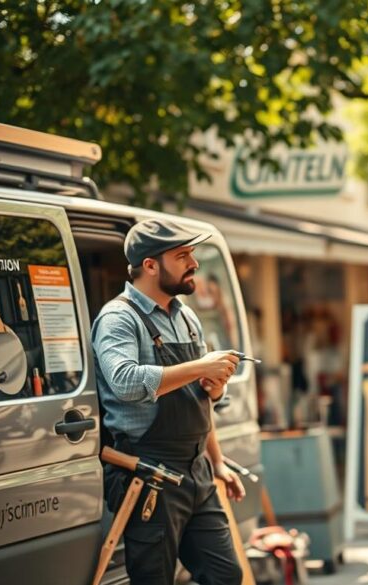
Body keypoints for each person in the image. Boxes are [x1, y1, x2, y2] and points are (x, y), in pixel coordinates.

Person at [92, 219, 246, 585]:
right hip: (150, 475)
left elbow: (200, 402)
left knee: (226, 575)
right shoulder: (119, 318)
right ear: (150, 265)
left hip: (197, 471)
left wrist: (218, 460)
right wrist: (199, 367)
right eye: (183, 256)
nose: (194, 263)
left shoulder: (186, 316)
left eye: (192, 254)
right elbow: (126, 382)